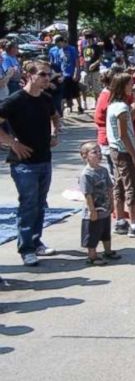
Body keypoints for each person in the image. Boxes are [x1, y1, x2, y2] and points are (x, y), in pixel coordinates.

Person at [0, 60, 62, 265]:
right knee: (28, 205)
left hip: (45, 158)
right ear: (30, 76)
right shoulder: (15, 100)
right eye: (43, 74)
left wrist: (55, 133)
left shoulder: (45, 98)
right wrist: (12, 143)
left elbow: (55, 117)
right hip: (23, 163)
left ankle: (36, 242)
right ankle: (26, 248)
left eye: (48, 74)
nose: (47, 78)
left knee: (40, 204)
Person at [106, 73, 135, 238]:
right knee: (132, 186)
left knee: (119, 185)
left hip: (115, 150)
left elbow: (131, 118)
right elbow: (123, 134)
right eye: (130, 84)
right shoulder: (121, 108)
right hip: (124, 151)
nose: (132, 87)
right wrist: (134, 155)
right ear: (122, 86)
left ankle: (120, 222)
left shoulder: (115, 105)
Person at [78, 141, 120, 265]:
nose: (98, 154)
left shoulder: (103, 170)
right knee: (92, 234)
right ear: (85, 156)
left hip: (105, 208)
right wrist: (92, 211)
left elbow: (109, 188)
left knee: (105, 231)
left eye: (99, 151)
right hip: (93, 211)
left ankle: (108, 251)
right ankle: (92, 256)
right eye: (94, 152)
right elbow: (88, 194)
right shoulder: (86, 175)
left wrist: (112, 203)